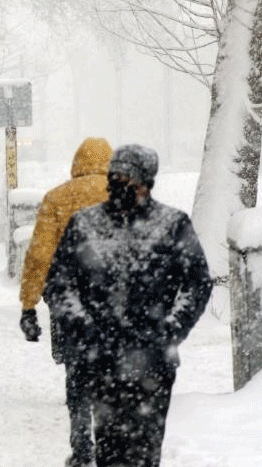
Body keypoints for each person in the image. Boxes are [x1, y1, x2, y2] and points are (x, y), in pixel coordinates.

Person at [43, 144, 212, 467]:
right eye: (115, 176)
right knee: (109, 449)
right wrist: (82, 325)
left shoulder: (172, 225)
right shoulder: (85, 225)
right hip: (101, 358)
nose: (119, 184)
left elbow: (198, 283)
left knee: (146, 450)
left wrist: (172, 328)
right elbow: (59, 283)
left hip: (152, 361)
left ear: (147, 182)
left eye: (129, 178)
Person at [17, 137, 112, 467]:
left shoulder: (57, 198)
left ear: (77, 163)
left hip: (67, 295)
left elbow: (39, 255)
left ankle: (81, 443)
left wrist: (28, 306)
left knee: (76, 371)